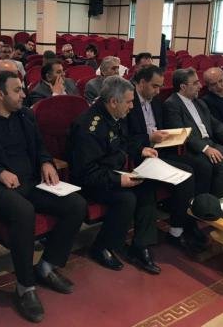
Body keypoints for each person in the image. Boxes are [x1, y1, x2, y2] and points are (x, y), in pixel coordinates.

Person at [0, 71, 86, 323]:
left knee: (76, 204)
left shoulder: (26, 115)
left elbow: (40, 147)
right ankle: (25, 286)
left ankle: (46, 266)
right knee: (24, 211)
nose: (23, 95)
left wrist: (46, 162)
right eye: (17, 90)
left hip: (32, 181)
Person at [69, 76, 162, 274]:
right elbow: (86, 172)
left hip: (112, 173)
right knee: (126, 198)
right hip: (91, 182)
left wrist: (140, 150)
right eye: (128, 102)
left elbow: (122, 143)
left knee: (147, 186)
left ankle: (140, 246)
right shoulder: (89, 126)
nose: (131, 106)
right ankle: (102, 246)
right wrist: (119, 179)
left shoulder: (114, 116)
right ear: (113, 101)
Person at [126, 66, 208, 252]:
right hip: (139, 156)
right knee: (186, 174)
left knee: (199, 166)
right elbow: (126, 138)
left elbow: (161, 128)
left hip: (160, 151)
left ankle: (186, 223)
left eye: (160, 86)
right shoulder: (129, 101)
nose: (158, 91)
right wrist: (149, 138)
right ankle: (175, 231)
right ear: (141, 83)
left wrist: (172, 136)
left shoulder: (155, 101)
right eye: (155, 86)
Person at [163, 68, 223, 197]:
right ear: (183, 87)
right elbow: (182, 133)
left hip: (210, 143)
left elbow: (215, 123)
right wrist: (205, 148)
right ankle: (222, 204)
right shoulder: (171, 104)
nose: (200, 86)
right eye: (195, 83)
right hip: (192, 149)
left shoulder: (198, 101)